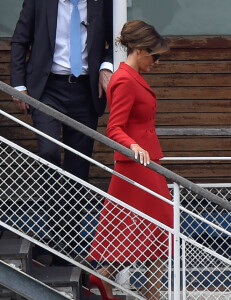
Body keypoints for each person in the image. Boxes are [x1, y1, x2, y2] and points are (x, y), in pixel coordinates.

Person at [10, 0, 113, 245]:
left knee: (79, 167)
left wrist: (106, 66)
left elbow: (117, 40)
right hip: (48, 88)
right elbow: (19, 40)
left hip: (86, 92)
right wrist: (19, 85)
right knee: (48, 153)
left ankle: (68, 243)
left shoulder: (102, 3)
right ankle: (56, 231)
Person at [88, 20, 173, 300]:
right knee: (159, 224)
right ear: (139, 49)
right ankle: (150, 292)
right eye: (155, 56)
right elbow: (114, 128)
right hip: (137, 163)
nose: (157, 62)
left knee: (141, 227)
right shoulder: (124, 79)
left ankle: (104, 278)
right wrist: (134, 145)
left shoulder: (132, 78)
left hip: (146, 161)